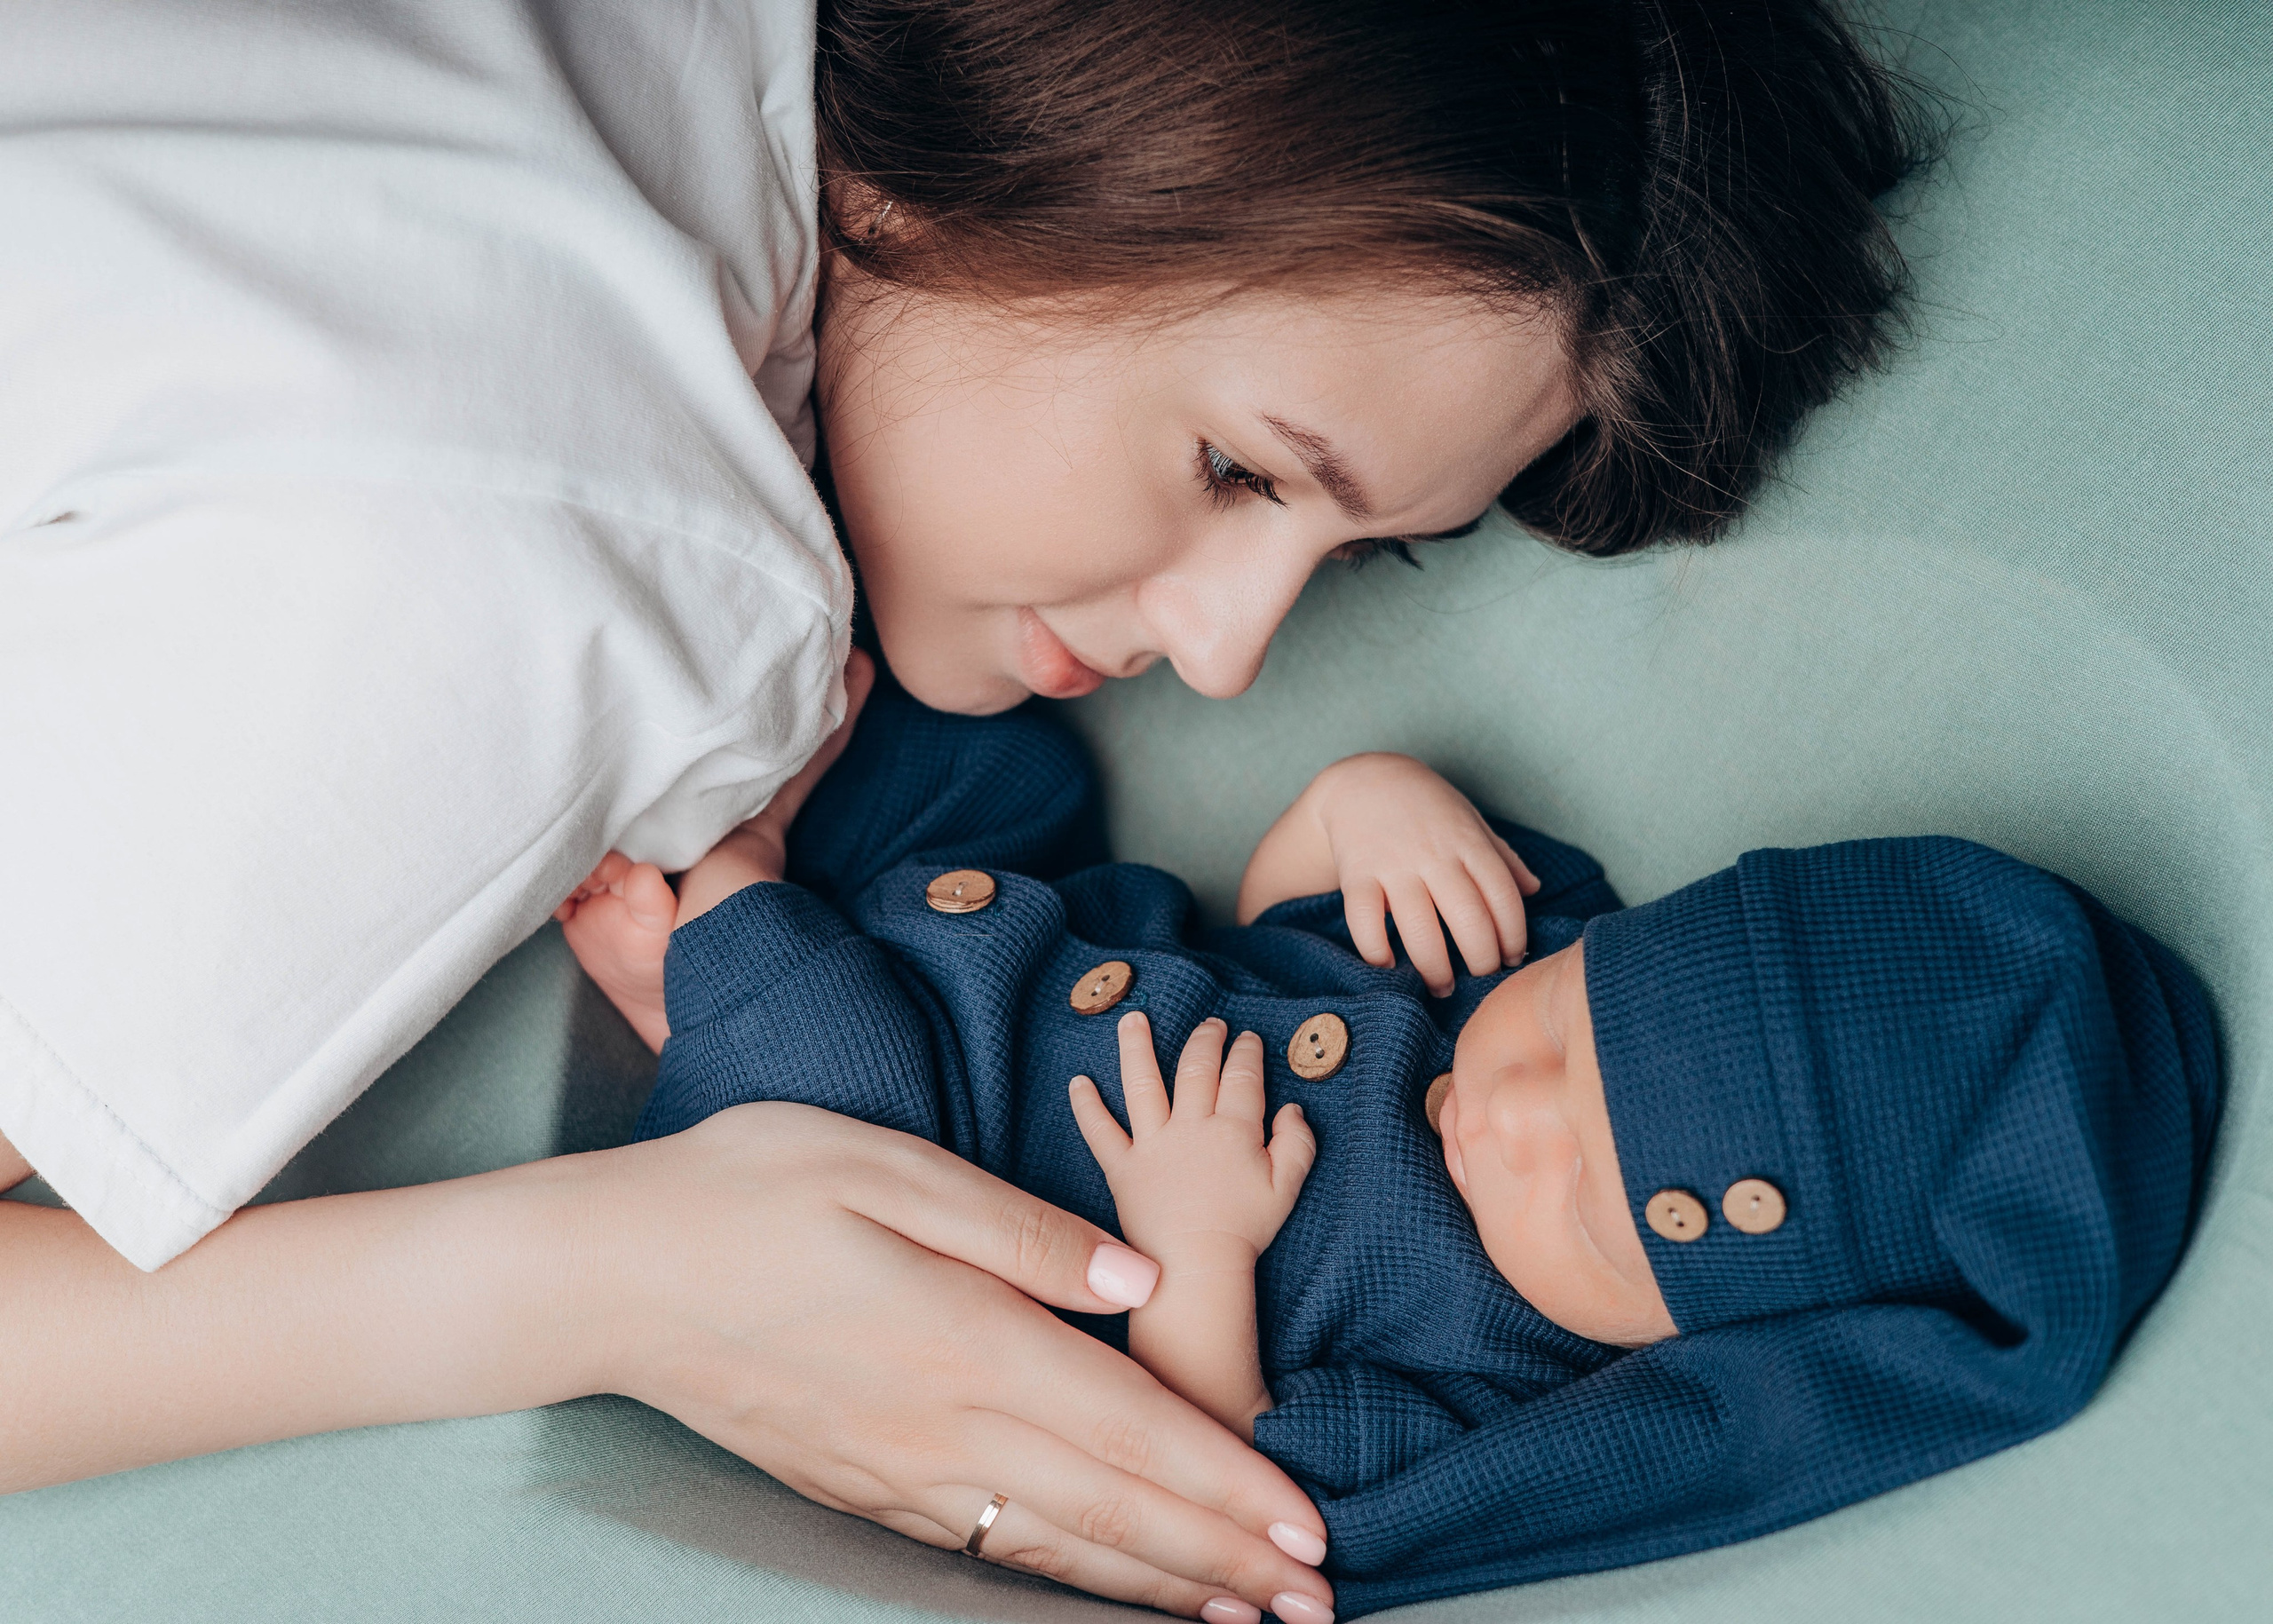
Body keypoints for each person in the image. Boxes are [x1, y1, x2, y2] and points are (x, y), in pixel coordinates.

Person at [0, 0, 1931, 1616]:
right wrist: (628, 1279)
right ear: (1073, 129)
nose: (1233, 653)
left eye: (1356, 560)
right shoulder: (562, 564)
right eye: (1237, 472)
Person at [569, 679, 2220, 1618]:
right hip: (1037, 943)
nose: (1504, 1110)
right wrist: (1365, 803)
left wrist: (1196, 1242)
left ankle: (712, 948)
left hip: (937, 1162)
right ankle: (744, 942)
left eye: (1578, 1189)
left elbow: (1216, 1469)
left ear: (1682, 1325)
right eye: (1564, 1034)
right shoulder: (1498, 962)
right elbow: (1281, 903)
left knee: (809, 1036)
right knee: (998, 757)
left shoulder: (1485, 1366)